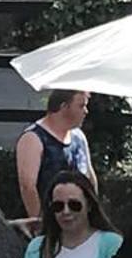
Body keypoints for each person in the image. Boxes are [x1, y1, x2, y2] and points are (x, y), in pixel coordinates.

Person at [15, 89, 95, 218]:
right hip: (51, 218)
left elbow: (89, 175)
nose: (86, 111)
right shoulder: (33, 138)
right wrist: (39, 223)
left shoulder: (78, 137)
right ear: (64, 107)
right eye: (81, 106)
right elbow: (28, 186)